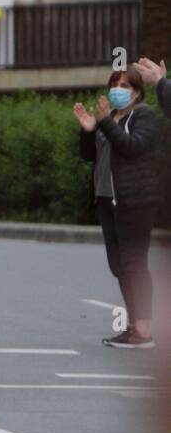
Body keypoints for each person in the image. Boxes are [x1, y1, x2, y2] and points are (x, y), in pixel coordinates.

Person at [75, 69, 161, 348]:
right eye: (114, 84)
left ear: (136, 91)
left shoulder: (143, 115)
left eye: (125, 85)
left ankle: (144, 331)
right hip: (105, 199)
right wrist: (88, 131)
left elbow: (132, 147)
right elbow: (90, 155)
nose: (118, 89)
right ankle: (134, 326)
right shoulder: (109, 117)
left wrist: (105, 124)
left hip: (133, 200)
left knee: (134, 264)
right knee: (119, 266)